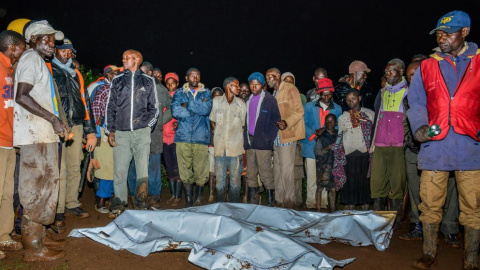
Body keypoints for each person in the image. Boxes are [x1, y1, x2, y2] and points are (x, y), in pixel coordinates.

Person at [408, 10, 480, 269]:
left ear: (465, 32)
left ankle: (471, 259)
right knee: (429, 202)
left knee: (473, 205)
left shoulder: (479, 62)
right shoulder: (428, 66)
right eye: (439, 34)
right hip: (435, 145)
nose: (442, 38)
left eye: (448, 34)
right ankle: (429, 253)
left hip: (470, 144)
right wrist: (420, 126)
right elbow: (416, 101)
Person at [14, 20, 67, 261]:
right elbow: (21, 95)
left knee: (45, 187)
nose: (52, 44)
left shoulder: (39, 62)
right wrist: (53, 119)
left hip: (42, 134)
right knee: (35, 190)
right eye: (47, 39)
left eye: (53, 40)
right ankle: (32, 248)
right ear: (33, 39)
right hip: (34, 136)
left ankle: (40, 237)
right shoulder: (30, 59)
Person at [399, 60, 460, 248]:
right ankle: (418, 226)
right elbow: (406, 124)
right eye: (408, 76)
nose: (412, 78)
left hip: (441, 149)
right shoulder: (408, 98)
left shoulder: (440, 93)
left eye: (415, 73)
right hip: (414, 150)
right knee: (417, 190)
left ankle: (449, 228)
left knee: (449, 189)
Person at [105, 49, 159, 218]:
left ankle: (141, 202)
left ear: (136, 60)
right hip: (121, 132)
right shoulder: (118, 81)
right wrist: (110, 130)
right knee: (120, 170)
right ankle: (119, 204)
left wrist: (146, 126)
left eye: (127, 58)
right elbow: (111, 106)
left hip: (141, 133)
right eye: (123, 57)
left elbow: (154, 108)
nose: (123, 60)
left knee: (142, 169)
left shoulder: (148, 81)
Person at [51, 38, 96, 225]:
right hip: (57, 125)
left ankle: (71, 202)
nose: (67, 54)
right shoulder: (49, 70)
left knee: (74, 165)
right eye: (63, 50)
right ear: (55, 51)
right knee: (58, 167)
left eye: (70, 51)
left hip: (76, 124)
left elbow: (85, 102)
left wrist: (90, 131)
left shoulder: (76, 73)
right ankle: (58, 208)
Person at [127, 61, 171, 209]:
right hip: (135, 135)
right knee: (133, 166)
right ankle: (135, 196)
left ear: (150, 73)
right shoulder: (134, 86)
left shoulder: (161, 90)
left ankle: (154, 197)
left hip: (154, 136)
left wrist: (158, 122)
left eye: (143, 71)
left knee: (153, 168)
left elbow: (170, 109)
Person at [370, 58, 408, 228]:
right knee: (377, 181)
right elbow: (377, 115)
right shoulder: (382, 92)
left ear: (401, 72)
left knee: (397, 182)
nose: (388, 74)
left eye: (392, 71)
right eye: (386, 71)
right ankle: (378, 220)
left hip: (399, 144)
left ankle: (396, 221)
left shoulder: (409, 92)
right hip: (380, 142)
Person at [0, 30, 26, 260]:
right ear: (13, 46)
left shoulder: (10, 68)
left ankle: (3, 235)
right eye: (22, 47)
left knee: (7, 193)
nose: (24, 51)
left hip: (9, 141)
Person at [171, 68, 212, 206]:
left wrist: (187, 105)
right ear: (186, 77)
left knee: (201, 169)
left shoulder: (207, 92)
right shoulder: (179, 92)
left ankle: (198, 198)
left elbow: (206, 110)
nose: (195, 78)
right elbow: (176, 111)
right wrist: (197, 108)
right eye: (192, 76)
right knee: (184, 169)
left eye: (198, 76)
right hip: (182, 137)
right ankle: (188, 199)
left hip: (201, 137)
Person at [266, 68, 305, 208]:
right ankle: (279, 200)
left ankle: (289, 202)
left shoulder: (290, 88)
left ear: (278, 76)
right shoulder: (274, 93)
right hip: (276, 138)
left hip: (287, 135)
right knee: (277, 169)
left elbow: (299, 110)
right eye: (266, 77)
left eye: (270, 76)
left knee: (287, 170)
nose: (268, 79)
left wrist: (287, 122)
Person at [302, 78, 342, 209]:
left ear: (332, 93)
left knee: (326, 175)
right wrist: (315, 135)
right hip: (311, 145)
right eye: (323, 94)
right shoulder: (308, 107)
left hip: (327, 148)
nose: (326, 97)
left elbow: (337, 128)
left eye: (329, 94)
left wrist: (326, 134)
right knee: (312, 176)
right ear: (319, 93)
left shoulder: (337, 109)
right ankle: (310, 202)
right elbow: (304, 123)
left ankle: (324, 203)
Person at [334, 89, 375, 210]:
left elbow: (373, 134)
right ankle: (350, 214)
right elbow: (340, 137)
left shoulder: (369, 114)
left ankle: (365, 213)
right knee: (350, 184)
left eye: (353, 98)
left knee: (364, 185)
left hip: (364, 154)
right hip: (349, 155)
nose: (350, 101)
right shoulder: (343, 117)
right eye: (348, 100)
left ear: (360, 98)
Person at [244, 72, 280, 206]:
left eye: (257, 84)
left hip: (263, 143)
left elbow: (276, 120)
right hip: (250, 141)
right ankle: (253, 201)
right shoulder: (247, 100)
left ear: (262, 85)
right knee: (251, 174)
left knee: (266, 173)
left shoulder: (269, 100)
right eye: (252, 85)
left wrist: (268, 139)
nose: (254, 87)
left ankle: (271, 202)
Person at [210, 77, 246, 203]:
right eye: (236, 85)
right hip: (220, 148)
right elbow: (212, 120)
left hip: (235, 148)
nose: (239, 88)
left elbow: (243, 125)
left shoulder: (241, 104)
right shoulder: (216, 101)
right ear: (228, 86)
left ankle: (234, 207)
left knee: (235, 181)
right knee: (219, 181)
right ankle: (220, 205)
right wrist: (216, 134)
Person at [90, 65, 120, 213]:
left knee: (116, 167)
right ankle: (101, 201)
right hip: (104, 132)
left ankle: (111, 199)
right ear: (108, 75)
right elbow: (95, 112)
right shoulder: (103, 90)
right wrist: (96, 133)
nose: (117, 75)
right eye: (114, 73)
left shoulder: (119, 90)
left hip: (118, 132)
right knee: (106, 167)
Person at [163, 72, 182, 206]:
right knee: (169, 168)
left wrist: (178, 122)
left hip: (176, 138)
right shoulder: (163, 97)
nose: (170, 86)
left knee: (177, 168)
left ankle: (178, 196)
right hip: (164, 138)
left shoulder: (180, 97)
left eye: (173, 83)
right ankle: (172, 195)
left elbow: (185, 114)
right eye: (168, 84)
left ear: (177, 84)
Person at [313, 114, 338, 212]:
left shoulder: (338, 135)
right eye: (327, 121)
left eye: (332, 121)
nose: (329, 122)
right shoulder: (322, 137)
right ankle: (318, 209)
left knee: (333, 189)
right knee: (320, 188)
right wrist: (327, 148)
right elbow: (317, 151)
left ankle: (332, 209)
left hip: (335, 166)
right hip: (324, 166)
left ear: (336, 123)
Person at [207, 87, 224, 203]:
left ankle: (223, 194)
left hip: (224, 144)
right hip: (212, 143)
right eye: (215, 96)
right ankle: (211, 194)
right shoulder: (207, 109)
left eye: (219, 96)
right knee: (211, 171)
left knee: (224, 171)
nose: (217, 98)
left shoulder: (225, 109)